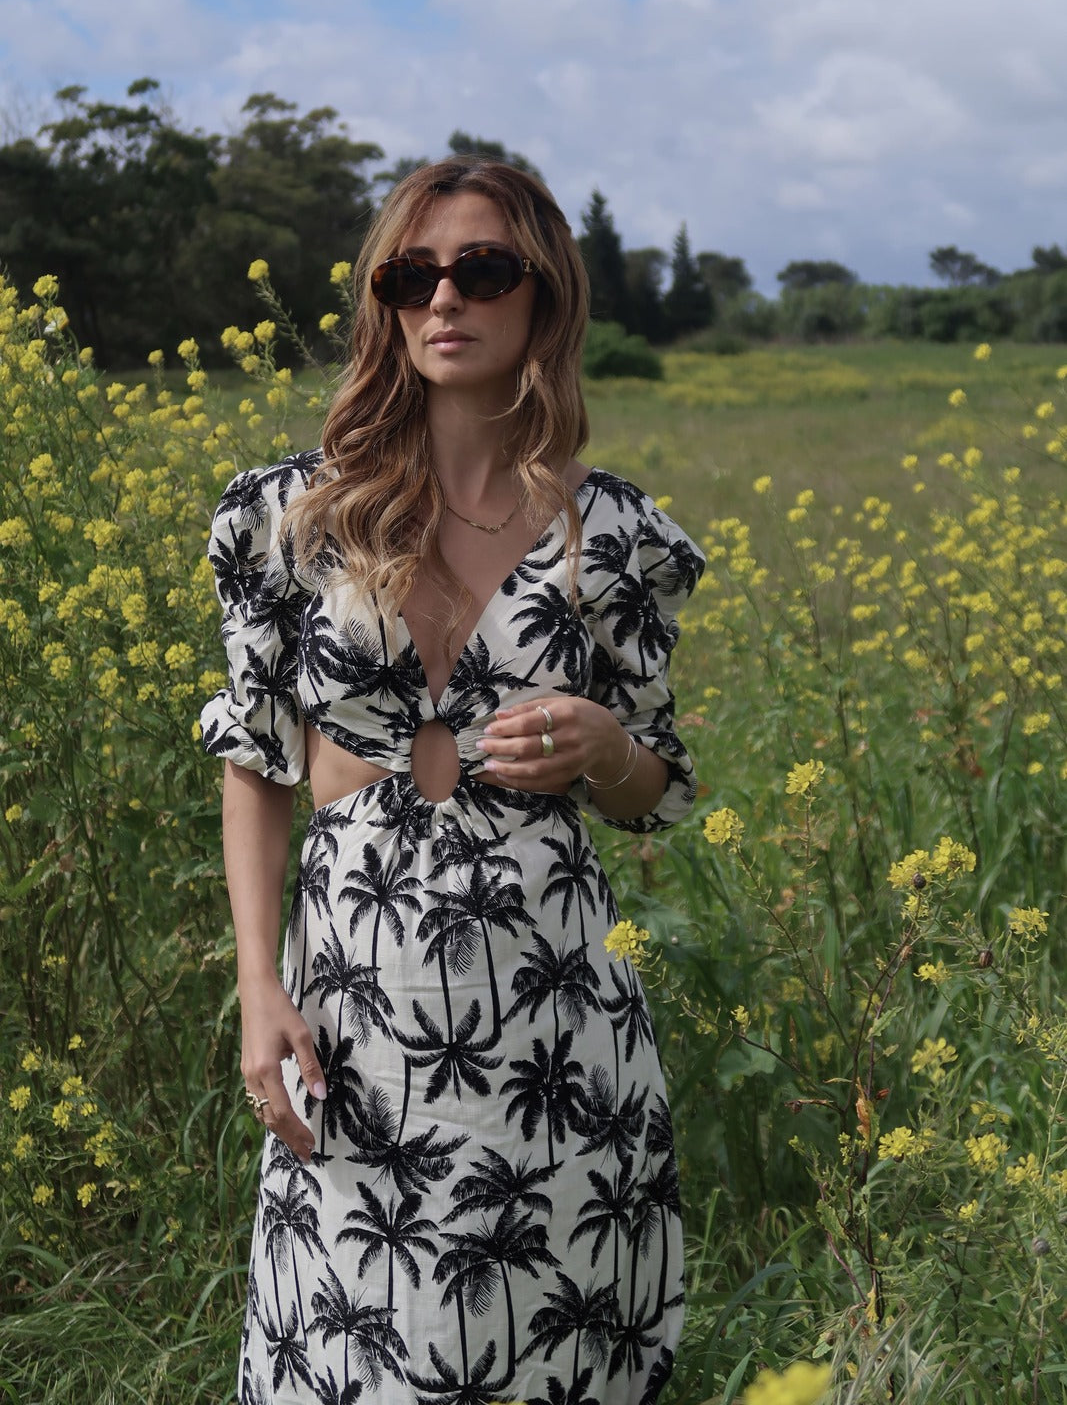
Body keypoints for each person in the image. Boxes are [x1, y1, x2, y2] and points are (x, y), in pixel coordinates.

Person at [200, 157, 705, 1405]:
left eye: (480, 270)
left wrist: (601, 746)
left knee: (550, 1350)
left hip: (553, 1014)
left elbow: (659, 791)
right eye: (409, 274)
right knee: (359, 1349)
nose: (442, 299)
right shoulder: (292, 515)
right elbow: (258, 763)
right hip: (358, 1007)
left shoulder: (617, 538)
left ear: (544, 296)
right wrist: (260, 985)